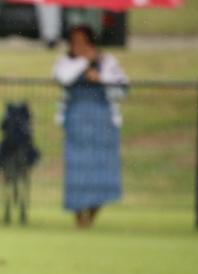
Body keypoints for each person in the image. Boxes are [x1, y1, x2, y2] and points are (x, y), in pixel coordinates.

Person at [53, 26, 128, 228]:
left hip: (102, 123)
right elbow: (63, 78)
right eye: (75, 41)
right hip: (76, 122)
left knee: (100, 169)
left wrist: (101, 78)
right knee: (77, 170)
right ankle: (78, 217)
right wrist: (85, 61)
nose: (79, 45)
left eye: (83, 41)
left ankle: (92, 215)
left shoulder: (107, 62)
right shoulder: (66, 63)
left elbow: (122, 89)